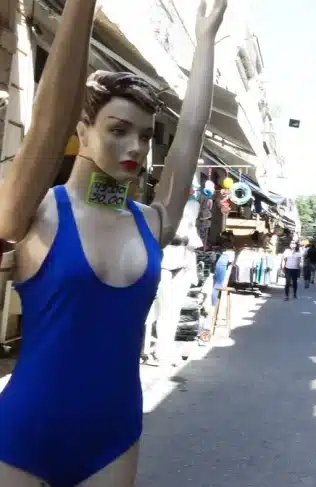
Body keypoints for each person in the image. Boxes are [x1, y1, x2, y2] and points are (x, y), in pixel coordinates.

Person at [0, 1, 227, 485]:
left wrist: (205, 41)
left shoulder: (151, 222)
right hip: (24, 436)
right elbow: (47, 120)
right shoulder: (34, 214)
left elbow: (190, 132)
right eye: (118, 131)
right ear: (81, 132)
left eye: (144, 136)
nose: (136, 148)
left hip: (113, 437)